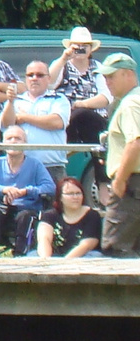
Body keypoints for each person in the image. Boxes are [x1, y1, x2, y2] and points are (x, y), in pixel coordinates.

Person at [0, 126, 54, 255]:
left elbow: (50, 187)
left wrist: (25, 191)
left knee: (25, 216)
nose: (13, 141)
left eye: (18, 138)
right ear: (3, 143)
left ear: (25, 144)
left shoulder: (35, 165)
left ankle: (20, 252)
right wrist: (3, 190)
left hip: (25, 208)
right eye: (9, 138)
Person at [0, 60, 71, 187]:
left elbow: (56, 122)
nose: (34, 78)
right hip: (20, 166)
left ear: (48, 79)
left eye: (39, 75)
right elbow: (6, 125)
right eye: (30, 75)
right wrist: (10, 102)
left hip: (51, 167)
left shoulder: (58, 99)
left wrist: (24, 117)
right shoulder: (16, 101)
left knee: (53, 206)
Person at [99, 53, 140, 257]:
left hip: (131, 186)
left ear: (128, 74)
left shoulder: (131, 103)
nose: (107, 82)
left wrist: (121, 180)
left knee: (115, 249)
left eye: (111, 76)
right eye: (105, 78)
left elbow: (136, 143)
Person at [49, 27, 110, 147]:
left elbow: (106, 97)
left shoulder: (98, 68)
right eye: (77, 46)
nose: (81, 49)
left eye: (85, 46)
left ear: (91, 49)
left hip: (95, 122)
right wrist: (64, 58)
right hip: (66, 121)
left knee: (82, 114)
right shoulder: (61, 65)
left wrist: (82, 104)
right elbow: (49, 83)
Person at [33, 177, 102, 258]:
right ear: (60, 197)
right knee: (32, 255)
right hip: (54, 258)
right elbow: (44, 239)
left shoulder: (92, 215)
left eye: (78, 193)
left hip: (80, 257)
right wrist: (47, 262)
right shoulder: (49, 215)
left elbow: (87, 245)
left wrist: (64, 263)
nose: (75, 197)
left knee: (94, 255)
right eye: (70, 194)